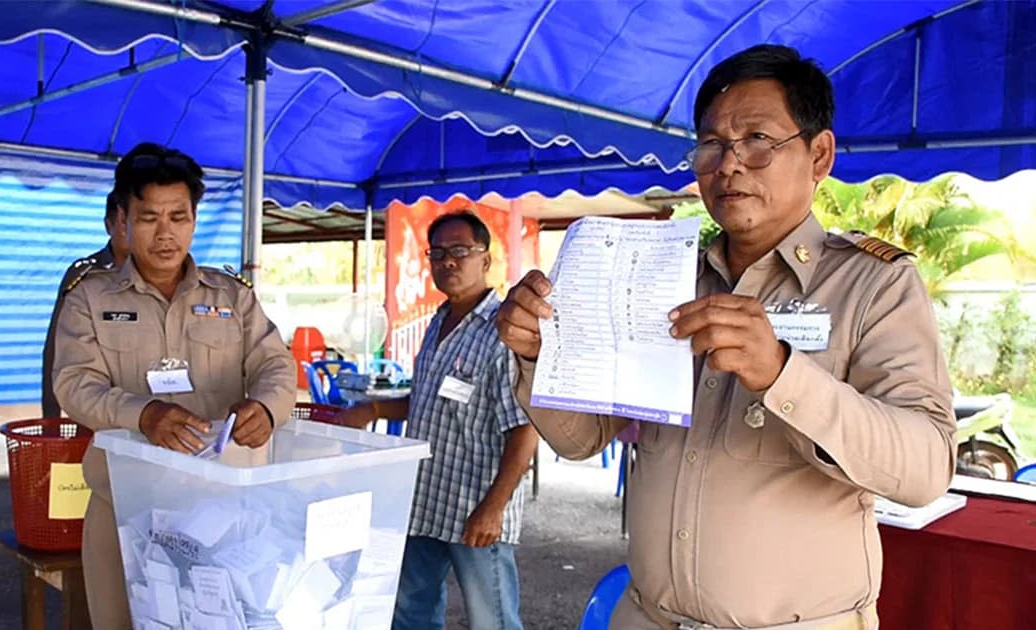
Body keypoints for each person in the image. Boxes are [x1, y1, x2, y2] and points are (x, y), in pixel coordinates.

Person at [496, 45, 955, 630]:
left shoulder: (873, 285)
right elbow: (583, 439)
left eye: (758, 139)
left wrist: (785, 375)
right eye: (712, 144)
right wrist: (541, 356)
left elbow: (924, 470)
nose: (729, 164)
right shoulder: (663, 278)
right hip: (647, 616)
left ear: (819, 155)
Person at [53, 142, 296, 629]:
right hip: (123, 505)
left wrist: (267, 410)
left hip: (222, 508)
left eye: (178, 216)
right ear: (122, 219)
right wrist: (142, 414)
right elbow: (73, 384)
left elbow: (278, 366)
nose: (165, 233)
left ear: (193, 218)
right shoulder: (89, 298)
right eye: (148, 218)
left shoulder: (232, 296)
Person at [336, 211, 538, 630]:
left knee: (493, 621)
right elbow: (426, 398)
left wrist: (493, 508)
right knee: (411, 614)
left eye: (460, 251)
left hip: (476, 509)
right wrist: (374, 409)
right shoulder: (437, 322)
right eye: (438, 253)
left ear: (486, 260)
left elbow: (524, 430)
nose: (448, 261)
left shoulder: (504, 332)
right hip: (425, 498)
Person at [41, 191, 129, 419]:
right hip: (95, 407)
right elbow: (55, 348)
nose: (128, 230)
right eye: (121, 223)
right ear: (107, 225)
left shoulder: (161, 276)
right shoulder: (85, 275)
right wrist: (51, 418)